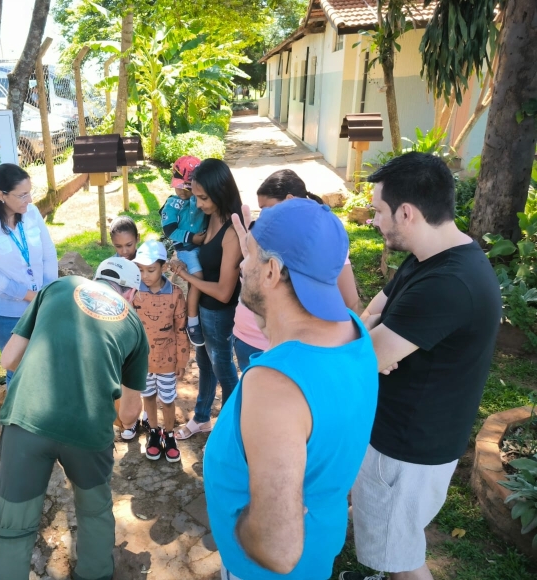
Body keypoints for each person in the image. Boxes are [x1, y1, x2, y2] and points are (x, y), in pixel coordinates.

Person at [340, 153, 502, 580]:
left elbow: (368, 355)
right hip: (401, 433)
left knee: (403, 562)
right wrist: (372, 343)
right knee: (390, 543)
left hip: (407, 448)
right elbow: (373, 315)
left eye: (377, 210)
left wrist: (372, 348)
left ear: (406, 212)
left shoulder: (450, 283)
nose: (373, 220)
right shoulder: (431, 254)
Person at [206, 198, 378, 579]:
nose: (240, 265)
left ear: (272, 271)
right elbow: (285, 334)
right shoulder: (351, 331)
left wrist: (236, 528)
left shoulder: (276, 386)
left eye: (248, 255)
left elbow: (277, 550)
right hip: (319, 546)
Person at [0, 257, 150, 580]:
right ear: (130, 293)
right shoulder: (133, 324)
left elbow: (9, 358)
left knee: (14, 527)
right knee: (94, 512)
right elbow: (130, 415)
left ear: (97, 278)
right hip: (88, 431)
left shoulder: (58, 288)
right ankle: (94, 573)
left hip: (27, 418)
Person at [233, 169, 363, 371]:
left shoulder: (322, 239)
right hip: (250, 337)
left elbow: (350, 302)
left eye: (267, 209)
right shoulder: (266, 237)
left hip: (288, 350)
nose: (264, 216)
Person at [169, 159, 243, 440]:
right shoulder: (212, 216)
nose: (198, 204)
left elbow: (225, 292)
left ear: (220, 192)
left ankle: (230, 432)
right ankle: (202, 418)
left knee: (225, 373)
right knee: (205, 364)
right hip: (203, 309)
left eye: (202, 197)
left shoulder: (233, 232)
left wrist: (187, 276)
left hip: (219, 312)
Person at [0, 163, 58, 385]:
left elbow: (48, 255)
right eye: (22, 195)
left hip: (42, 304)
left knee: (45, 365)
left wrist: (47, 292)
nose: (30, 200)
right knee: (19, 370)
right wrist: (30, 296)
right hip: (7, 313)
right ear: (1, 195)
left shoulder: (31, 213)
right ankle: (14, 418)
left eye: (30, 192)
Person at [129, 239, 190, 461]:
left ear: (163, 267)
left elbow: (181, 329)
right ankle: (154, 433)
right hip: (143, 361)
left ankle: (170, 434)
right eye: (140, 269)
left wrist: (182, 361)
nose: (145, 275)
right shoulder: (133, 293)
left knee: (168, 399)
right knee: (149, 397)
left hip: (168, 361)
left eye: (151, 270)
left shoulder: (175, 294)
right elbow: (129, 328)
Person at [161, 155, 207, 346]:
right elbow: (169, 229)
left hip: (202, 246)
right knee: (197, 276)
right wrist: (192, 238)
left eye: (187, 187)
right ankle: (193, 321)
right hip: (186, 248)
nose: (181, 190)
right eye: (179, 185)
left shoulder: (198, 199)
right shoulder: (173, 203)